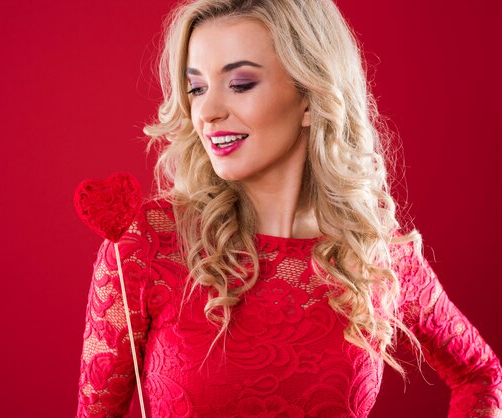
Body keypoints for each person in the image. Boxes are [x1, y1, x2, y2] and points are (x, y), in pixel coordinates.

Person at [75, 0, 502, 416]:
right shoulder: (148, 242)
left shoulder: (377, 258)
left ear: (310, 97)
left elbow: (481, 375)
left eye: (240, 84)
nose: (206, 111)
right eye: (197, 88)